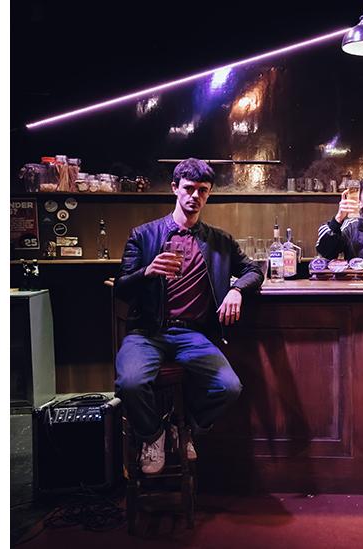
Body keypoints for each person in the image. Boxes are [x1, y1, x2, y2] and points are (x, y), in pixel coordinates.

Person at [114, 158, 263, 475]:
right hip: (147, 332)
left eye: (202, 190)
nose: (195, 196)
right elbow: (121, 289)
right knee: (130, 382)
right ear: (175, 188)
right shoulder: (144, 235)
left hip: (192, 334)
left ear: (208, 194)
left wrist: (237, 290)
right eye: (189, 188)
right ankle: (152, 435)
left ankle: (184, 429)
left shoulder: (219, 241)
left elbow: (254, 270)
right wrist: (147, 271)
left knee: (229, 387)